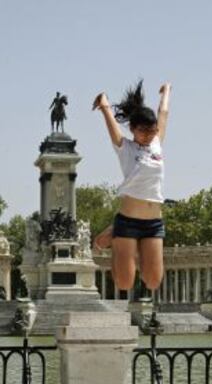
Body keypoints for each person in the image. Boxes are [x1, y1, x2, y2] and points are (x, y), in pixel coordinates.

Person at [92, 79, 171, 292]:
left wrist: (166, 92)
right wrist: (104, 105)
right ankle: (115, 234)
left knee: (153, 282)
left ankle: (115, 236)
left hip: (154, 222)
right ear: (133, 129)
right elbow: (111, 126)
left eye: (152, 130)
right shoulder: (124, 148)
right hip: (128, 221)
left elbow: (163, 114)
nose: (149, 135)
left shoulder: (156, 143)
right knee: (124, 283)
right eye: (143, 131)